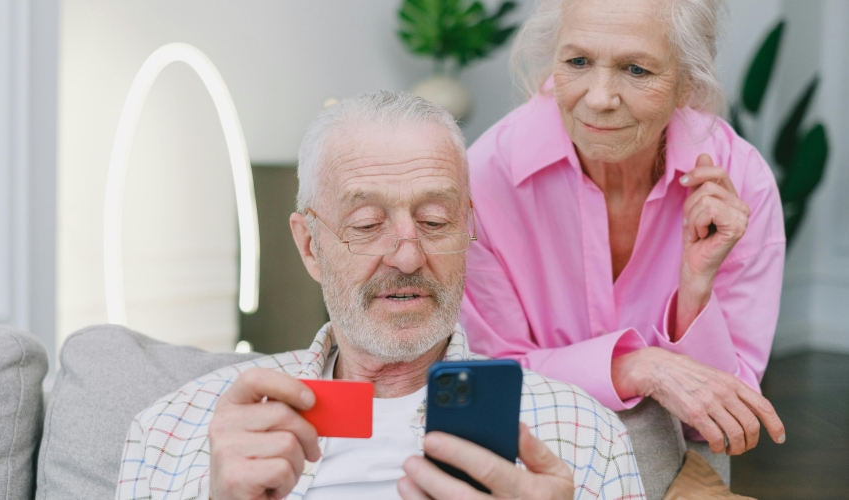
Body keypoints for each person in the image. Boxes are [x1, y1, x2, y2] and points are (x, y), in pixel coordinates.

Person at [116, 91, 643, 500]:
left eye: (435, 221)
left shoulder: (581, 434)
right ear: (310, 246)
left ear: (469, 231)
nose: (408, 257)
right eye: (367, 224)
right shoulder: (175, 428)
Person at [460, 0, 786, 460]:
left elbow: (721, 421)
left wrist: (695, 290)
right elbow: (491, 383)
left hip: (681, 458)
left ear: (687, 84)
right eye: (577, 62)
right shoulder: (484, 180)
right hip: (531, 457)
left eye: (636, 69)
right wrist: (638, 367)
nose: (599, 97)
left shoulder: (742, 181)